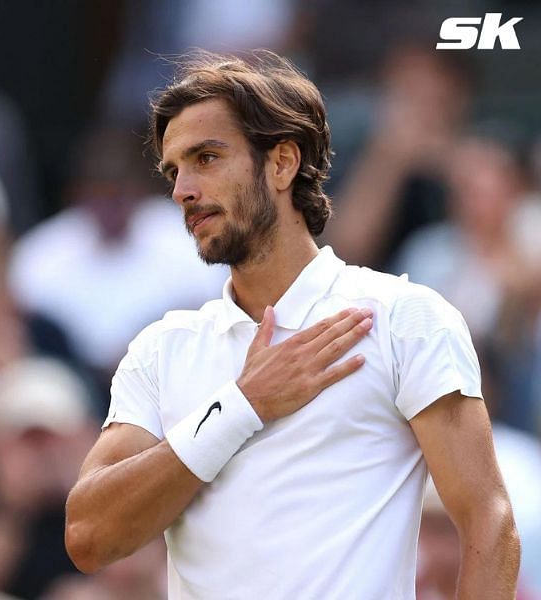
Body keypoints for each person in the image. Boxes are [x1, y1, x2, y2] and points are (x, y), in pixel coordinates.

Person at [64, 50, 520, 598]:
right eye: (173, 170)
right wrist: (241, 406)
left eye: (206, 158)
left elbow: (489, 523)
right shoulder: (161, 350)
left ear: (281, 163)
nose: (182, 188)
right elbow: (88, 536)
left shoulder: (404, 317)